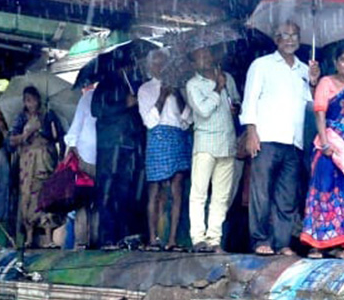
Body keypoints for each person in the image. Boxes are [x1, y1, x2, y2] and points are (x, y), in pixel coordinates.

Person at [240, 22, 321, 255]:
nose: (290, 39)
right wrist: (251, 132)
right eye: (285, 35)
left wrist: (314, 81)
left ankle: (282, 243)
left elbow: (313, 105)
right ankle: (260, 240)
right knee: (261, 193)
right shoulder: (262, 65)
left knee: (287, 196)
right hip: (266, 137)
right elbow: (250, 100)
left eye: (295, 35)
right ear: (276, 39)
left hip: (293, 142)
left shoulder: (304, 70)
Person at [300, 42, 344, 258]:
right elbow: (319, 113)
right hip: (328, 142)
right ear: (336, 63)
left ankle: (340, 245)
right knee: (323, 191)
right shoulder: (326, 82)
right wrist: (324, 142)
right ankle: (317, 245)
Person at [185, 45, 239, 253]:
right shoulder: (193, 85)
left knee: (221, 196)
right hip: (206, 144)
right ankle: (198, 238)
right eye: (200, 56)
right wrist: (217, 88)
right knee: (199, 193)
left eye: (208, 53)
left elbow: (235, 102)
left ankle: (214, 239)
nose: (206, 58)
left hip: (227, 143)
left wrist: (235, 106)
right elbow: (204, 111)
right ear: (193, 63)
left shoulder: (227, 78)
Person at [138, 49, 193, 250]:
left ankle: (172, 240)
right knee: (155, 188)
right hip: (158, 136)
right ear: (150, 67)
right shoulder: (145, 89)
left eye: (164, 64)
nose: (160, 68)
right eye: (156, 64)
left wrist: (176, 93)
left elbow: (188, 119)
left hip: (177, 135)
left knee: (177, 189)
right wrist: (162, 96)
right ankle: (153, 239)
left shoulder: (180, 88)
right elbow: (149, 122)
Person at [92, 57, 145, 249]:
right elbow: (97, 110)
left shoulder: (131, 85)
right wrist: (125, 104)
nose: (131, 69)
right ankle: (106, 237)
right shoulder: (104, 87)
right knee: (107, 192)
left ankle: (122, 236)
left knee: (124, 192)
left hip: (127, 146)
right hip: (109, 146)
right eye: (127, 66)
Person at [10, 85, 64, 248]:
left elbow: (59, 137)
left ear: (38, 100)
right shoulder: (20, 118)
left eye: (32, 100)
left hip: (45, 159)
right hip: (27, 162)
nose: (29, 104)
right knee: (28, 196)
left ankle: (48, 237)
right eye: (26, 101)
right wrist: (27, 133)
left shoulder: (48, 115)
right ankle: (29, 235)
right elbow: (11, 140)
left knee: (46, 194)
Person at [64, 82, 99, 249]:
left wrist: (70, 151)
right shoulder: (108, 96)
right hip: (102, 157)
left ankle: (81, 241)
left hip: (85, 156)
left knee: (82, 201)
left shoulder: (87, 98)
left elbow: (75, 128)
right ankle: (94, 239)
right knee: (96, 201)